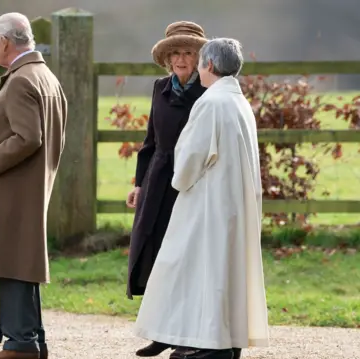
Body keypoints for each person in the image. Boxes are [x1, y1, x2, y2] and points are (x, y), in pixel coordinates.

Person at [133, 37, 271, 359]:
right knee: (226, 272)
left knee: (200, 270)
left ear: (208, 64)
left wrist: (179, 180)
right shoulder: (238, 102)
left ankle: (212, 345)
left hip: (210, 203)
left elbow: (189, 159)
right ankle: (227, 340)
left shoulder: (210, 103)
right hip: (235, 202)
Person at [0, 12, 67, 359]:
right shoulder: (47, 77)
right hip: (33, 185)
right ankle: (32, 340)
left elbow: (28, 138)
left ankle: (19, 343)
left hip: (14, 187)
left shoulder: (19, 80)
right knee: (23, 262)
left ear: (5, 42)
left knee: (11, 261)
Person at [125, 21, 208, 357]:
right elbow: (149, 143)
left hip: (191, 182)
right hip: (159, 180)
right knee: (157, 255)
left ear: (199, 57)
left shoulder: (208, 90)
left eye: (188, 52)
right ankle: (162, 333)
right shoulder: (160, 87)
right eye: (175, 53)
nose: (181, 59)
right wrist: (139, 184)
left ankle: (187, 338)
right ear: (167, 58)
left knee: (185, 257)